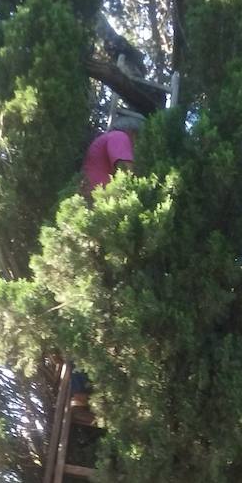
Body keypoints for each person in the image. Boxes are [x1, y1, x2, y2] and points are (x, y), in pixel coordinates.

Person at [73, 110, 146, 411]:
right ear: (135, 134)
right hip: (103, 226)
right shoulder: (118, 138)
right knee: (109, 304)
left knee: (93, 307)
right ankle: (92, 386)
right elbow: (127, 177)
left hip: (90, 225)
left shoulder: (99, 143)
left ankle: (81, 390)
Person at [81, 109, 146, 196]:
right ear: (133, 132)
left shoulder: (109, 136)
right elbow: (125, 170)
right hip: (100, 196)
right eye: (139, 136)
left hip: (93, 193)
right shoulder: (119, 137)